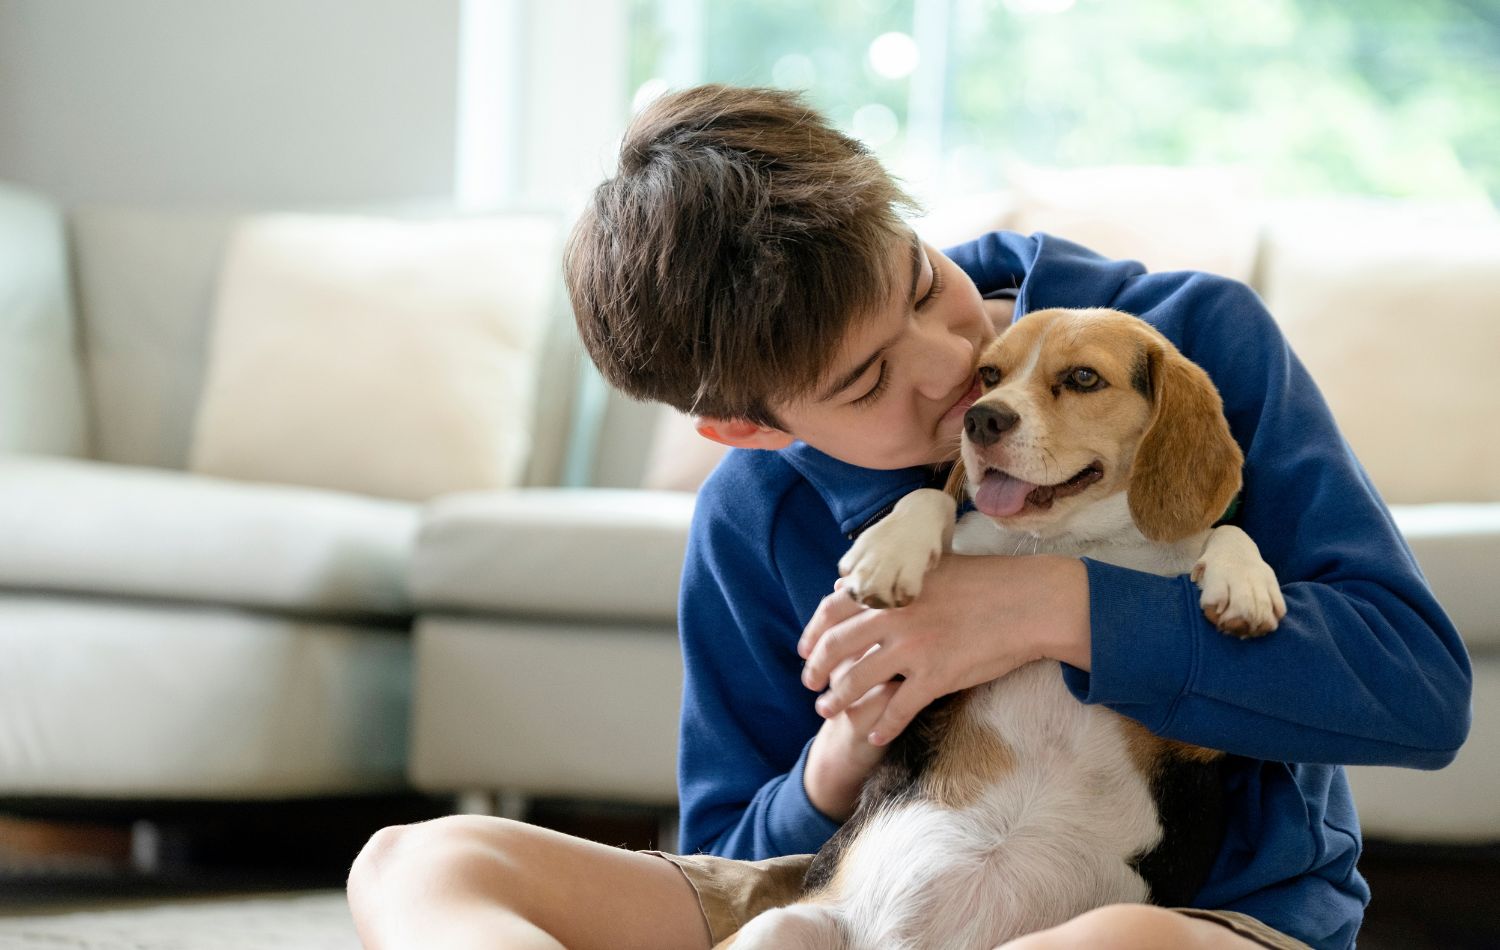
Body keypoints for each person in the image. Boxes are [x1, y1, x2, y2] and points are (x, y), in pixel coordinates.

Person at [345, 84, 1471, 950]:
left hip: (1182, 911)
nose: (953, 374)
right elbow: (735, 854)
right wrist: (842, 750)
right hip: (853, 890)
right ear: (752, 430)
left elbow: (1419, 693)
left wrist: (1051, 605)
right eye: (865, 384)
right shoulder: (754, 512)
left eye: (924, 285)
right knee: (413, 860)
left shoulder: (1184, 338)